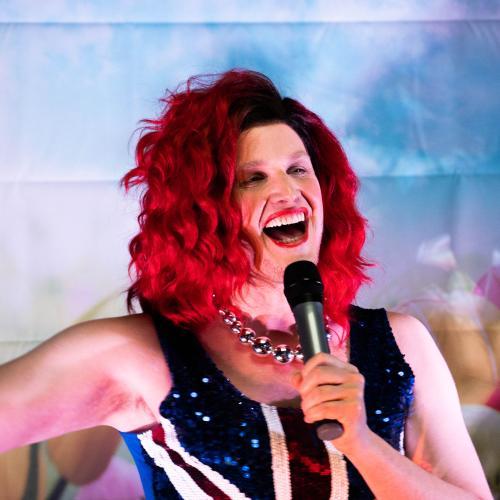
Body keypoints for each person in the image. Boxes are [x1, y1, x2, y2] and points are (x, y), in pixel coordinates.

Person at [0, 69, 492, 500]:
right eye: (252, 178)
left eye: (297, 169)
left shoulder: (399, 342)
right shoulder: (138, 356)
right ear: (203, 213)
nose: (287, 191)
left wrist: (362, 444)